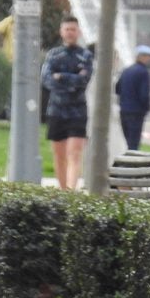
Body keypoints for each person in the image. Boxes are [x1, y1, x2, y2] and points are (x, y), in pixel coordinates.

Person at [41, 15, 93, 189]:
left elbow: (83, 81)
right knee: (59, 154)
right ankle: (63, 191)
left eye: (73, 29)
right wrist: (71, 79)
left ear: (78, 32)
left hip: (78, 111)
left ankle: (71, 192)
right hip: (56, 110)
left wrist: (61, 77)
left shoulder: (85, 55)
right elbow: (47, 80)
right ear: (61, 32)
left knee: (75, 152)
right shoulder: (53, 55)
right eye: (67, 29)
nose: (70, 33)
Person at [115, 45, 150, 150]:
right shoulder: (143, 72)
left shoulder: (126, 71)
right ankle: (132, 163)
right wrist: (146, 108)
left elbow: (117, 89)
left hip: (124, 110)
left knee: (127, 140)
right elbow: (144, 95)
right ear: (141, 57)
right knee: (134, 143)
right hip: (137, 112)